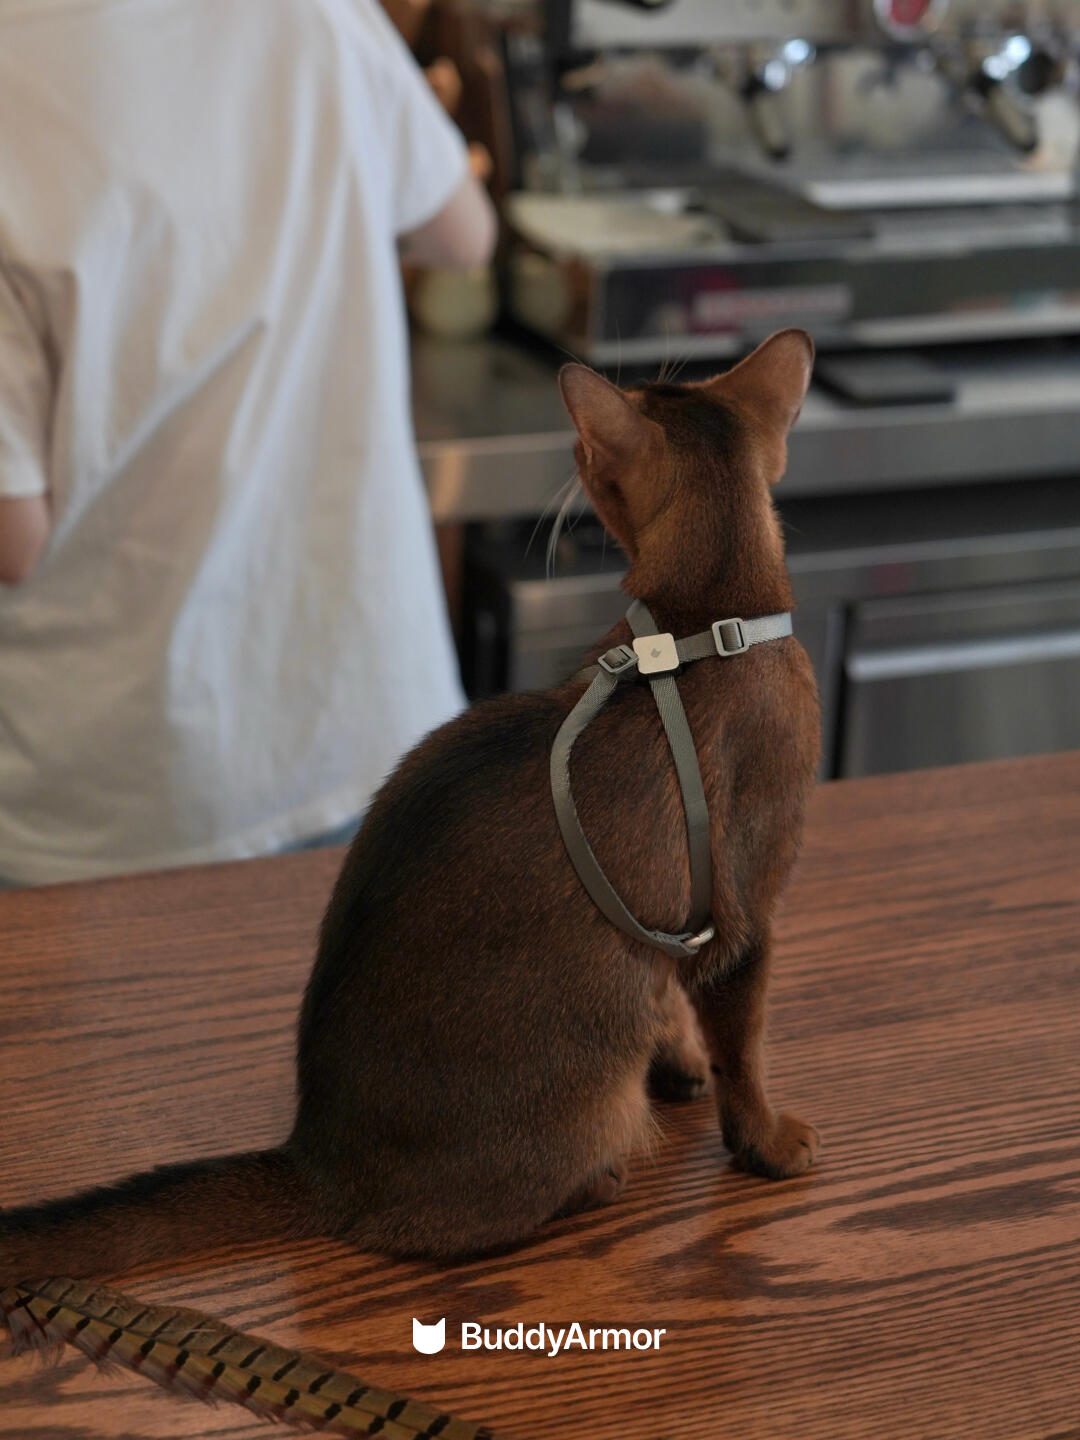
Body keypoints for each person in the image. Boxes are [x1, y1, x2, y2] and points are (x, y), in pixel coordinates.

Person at [0, 0, 496, 885]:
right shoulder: (316, 15)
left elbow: (15, 537)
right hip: (368, 730)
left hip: (123, 801)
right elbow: (464, 234)